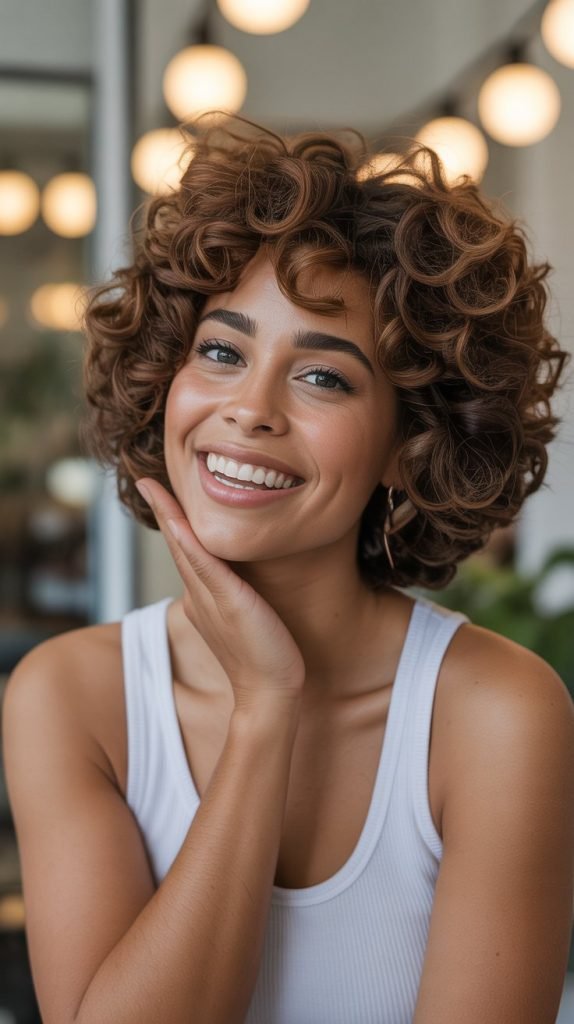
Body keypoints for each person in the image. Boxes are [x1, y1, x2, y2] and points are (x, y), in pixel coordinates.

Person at [3, 114, 574, 1024]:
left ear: (410, 443)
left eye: (325, 379)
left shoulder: (497, 715)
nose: (250, 410)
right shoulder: (70, 697)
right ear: (165, 381)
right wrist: (265, 709)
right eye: (222, 352)